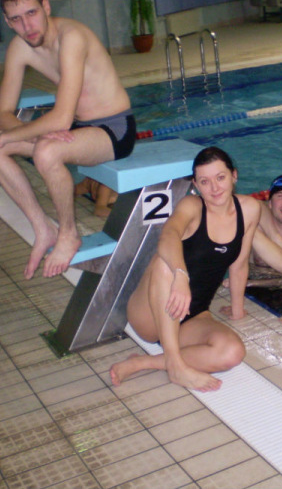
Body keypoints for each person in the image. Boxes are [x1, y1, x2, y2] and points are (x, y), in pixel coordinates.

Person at [0, 0, 135, 279]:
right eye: (16, 19)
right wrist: (32, 134)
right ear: (7, 22)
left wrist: (18, 135)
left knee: (46, 152)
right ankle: (43, 228)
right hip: (77, 128)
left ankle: (69, 234)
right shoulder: (20, 47)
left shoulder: (71, 37)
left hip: (114, 129)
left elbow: (60, 119)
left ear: (46, 7)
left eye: (32, 13)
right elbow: (2, 114)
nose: (27, 26)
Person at [109, 147, 261, 392]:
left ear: (234, 175)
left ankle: (145, 363)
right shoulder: (192, 207)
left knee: (232, 352)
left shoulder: (250, 209)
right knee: (164, 262)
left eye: (220, 177)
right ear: (196, 185)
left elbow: (240, 263)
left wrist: (237, 310)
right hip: (151, 314)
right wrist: (180, 275)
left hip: (193, 314)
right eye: (205, 181)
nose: (214, 188)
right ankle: (176, 366)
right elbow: (168, 235)